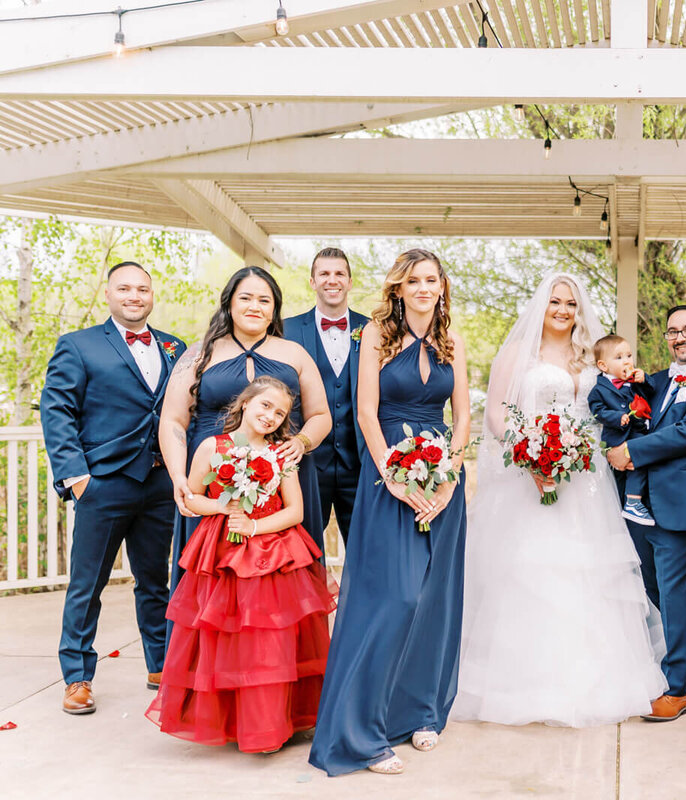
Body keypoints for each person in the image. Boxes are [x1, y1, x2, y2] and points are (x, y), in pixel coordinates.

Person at [454, 273, 667, 729]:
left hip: (587, 479)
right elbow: (496, 413)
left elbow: (615, 402)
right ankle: (523, 685)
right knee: (530, 570)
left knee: (589, 573)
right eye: (555, 301)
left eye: (571, 303)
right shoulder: (518, 354)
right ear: (542, 305)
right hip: (527, 476)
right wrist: (527, 454)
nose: (563, 310)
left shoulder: (589, 356)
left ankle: (592, 683)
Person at [310, 249, 470, 776]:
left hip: (442, 482)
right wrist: (394, 477)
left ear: (442, 287)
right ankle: (361, 731)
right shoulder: (375, 335)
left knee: (433, 599)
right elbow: (366, 412)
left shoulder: (452, 340)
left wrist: (450, 474)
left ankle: (420, 711)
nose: (424, 288)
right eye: (414, 280)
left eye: (432, 280)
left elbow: (461, 418)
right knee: (393, 598)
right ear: (398, 288)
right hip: (389, 478)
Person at [146, 377, 335, 754]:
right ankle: (231, 719)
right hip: (222, 553)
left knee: (270, 639)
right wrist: (223, 506)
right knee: (228, 636)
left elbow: (295, 511)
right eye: (265, 405)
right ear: (246, 403)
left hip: (273, 553)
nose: (271, 416)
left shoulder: (281, 454)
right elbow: (192, 498)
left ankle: (269, 722)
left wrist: (253, 527)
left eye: (279, 413)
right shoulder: (211, 447)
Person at [41, 261, 187, 715]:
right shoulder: (78, 345)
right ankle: (77, 677)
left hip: (159, 484)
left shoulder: (175, 347)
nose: (134, 296)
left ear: (152, 295)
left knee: (155, 581)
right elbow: (57, 411)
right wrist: (78, 479)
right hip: (102, 484)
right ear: (108, 293)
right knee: (87, 585)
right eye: (124, 288)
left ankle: (161, 666)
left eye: (142, 289)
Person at [159, 267, 331, 593]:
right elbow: (172, 420)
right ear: (229, 303)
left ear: (274, 308)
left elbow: (321, 414)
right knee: (212, 580)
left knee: (283, 585)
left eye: (264, 300)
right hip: (213, 477)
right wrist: (179, 477)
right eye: (246, 298)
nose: (255, 306)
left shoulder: (294, 353)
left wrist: (302, 441)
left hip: (280, 474)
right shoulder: (199, 353)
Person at [608, 304, 686, 722]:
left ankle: (677, 689)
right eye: (673, 331)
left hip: (679, 504)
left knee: (674, 596)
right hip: (636, 503)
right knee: (646, 592)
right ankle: (647, 672)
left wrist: (630, 451)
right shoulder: (656, 381)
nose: (680, 337)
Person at [284, 247, 369, 544]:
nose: (332, 280)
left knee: (364, 548)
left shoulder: (374, 329)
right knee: (301, 548)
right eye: (324, 274)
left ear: (350, 282)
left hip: (359, 463)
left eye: (339, 274)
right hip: (305, 462)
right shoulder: (286, 329)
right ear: (312, 281)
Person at [586, 333, 654, 523]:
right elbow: (597, 411)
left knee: (639, 462)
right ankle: (621, 505)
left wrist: (645, 379)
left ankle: (633, 501)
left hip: (637, 433)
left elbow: (652, 391)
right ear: (603, 366)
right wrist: (616, 417)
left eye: (629, 355)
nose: (626, 361)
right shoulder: (599, 390)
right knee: (618, 475)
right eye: (619, 357)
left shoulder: (634, 382)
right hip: (617, 436)